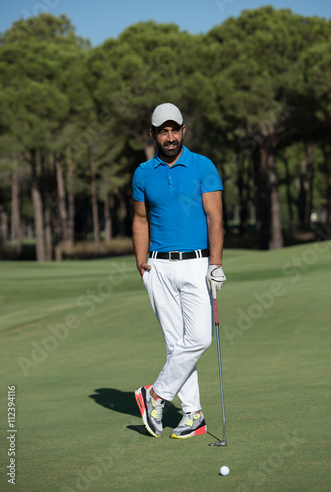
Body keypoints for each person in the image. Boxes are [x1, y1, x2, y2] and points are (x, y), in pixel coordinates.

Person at [132, 103, 226, 438]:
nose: (169, 137)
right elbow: (141, 220)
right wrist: (142, 262)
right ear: (154, 134)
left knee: (199, 338)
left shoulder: (202, 166)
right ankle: (194, 415)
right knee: (176, 345)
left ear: (184, 130)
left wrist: (215, 264)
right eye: (162, 131)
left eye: (175, 130)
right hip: (158, 267)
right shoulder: (143, 173)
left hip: (197, 263)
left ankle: (155, 395)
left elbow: (215, 217)